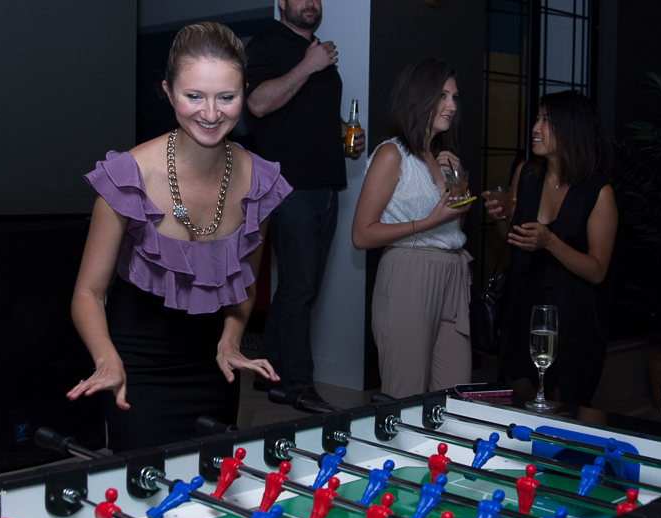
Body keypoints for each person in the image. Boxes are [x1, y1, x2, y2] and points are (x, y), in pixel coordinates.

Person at [65, 22, 290, 452]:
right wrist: (106, 358)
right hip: (137, 366)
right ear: (169, 92)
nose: (211, 113)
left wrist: (231, 338)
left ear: (244, 92)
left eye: (227, 97)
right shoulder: (128, 176)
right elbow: (88, 293)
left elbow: (245, 283)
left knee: (211, 480)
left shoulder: (260, 181)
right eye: (194, 96)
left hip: (214, 365)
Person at [245, 0, 366, 403]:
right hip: (288, 185)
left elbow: (313, 113)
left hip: (326, 184)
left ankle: (267, 369)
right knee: (300, 288)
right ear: (282, 2)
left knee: (301, 287)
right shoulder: (267, 44)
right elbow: (257, 103)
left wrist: (345, 135)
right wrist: (308, 65)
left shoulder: (318, 52)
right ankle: (298, 383)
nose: (311, 3)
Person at [482, 90, 617, 407]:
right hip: (522, 312)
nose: (535, 128)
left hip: (572, 323)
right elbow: (511, 238)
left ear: (570, 128)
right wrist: (502, 218)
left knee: (564, 415)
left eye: (546, 121)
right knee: (518, 411)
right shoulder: (526, 173)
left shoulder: (598, 192)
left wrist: (550, 242)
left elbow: (598, 270)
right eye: (537, 119)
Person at [351, 57, 472, 398]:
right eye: (442, 96)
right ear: (419, 96)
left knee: (454, 396)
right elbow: (361, 235)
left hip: (452, 273)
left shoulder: (443, 157)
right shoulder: (392, 154)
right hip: (408, 272)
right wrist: (427, 222)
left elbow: (454, 227)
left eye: (454, 97)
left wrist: (459, 183)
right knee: (405, 396)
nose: (452, 105)